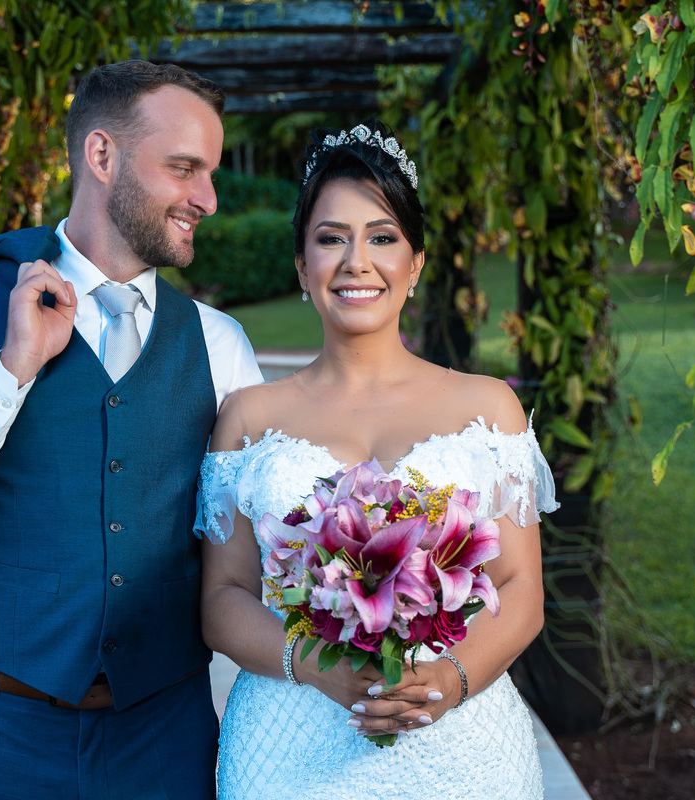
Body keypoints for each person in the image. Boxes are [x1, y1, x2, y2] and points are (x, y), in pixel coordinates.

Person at [0, 60, 262, 799]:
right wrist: (9, 369)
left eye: (211, 172)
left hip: (166, 740)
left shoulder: (218, 343)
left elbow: (265, 542)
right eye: (184, 169)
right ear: (101, 156)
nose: (209, 197)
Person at [195, 121, 558, 798]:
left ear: (416, 263)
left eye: (382, 237)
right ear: (302, 266)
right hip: (290, 744)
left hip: (463, 750)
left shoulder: (488, 411)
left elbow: (521, 590)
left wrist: (450, 682)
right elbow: (222, 598)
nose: (355, 261)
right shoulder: (248, 417)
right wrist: (310, 662)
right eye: (331, 239)